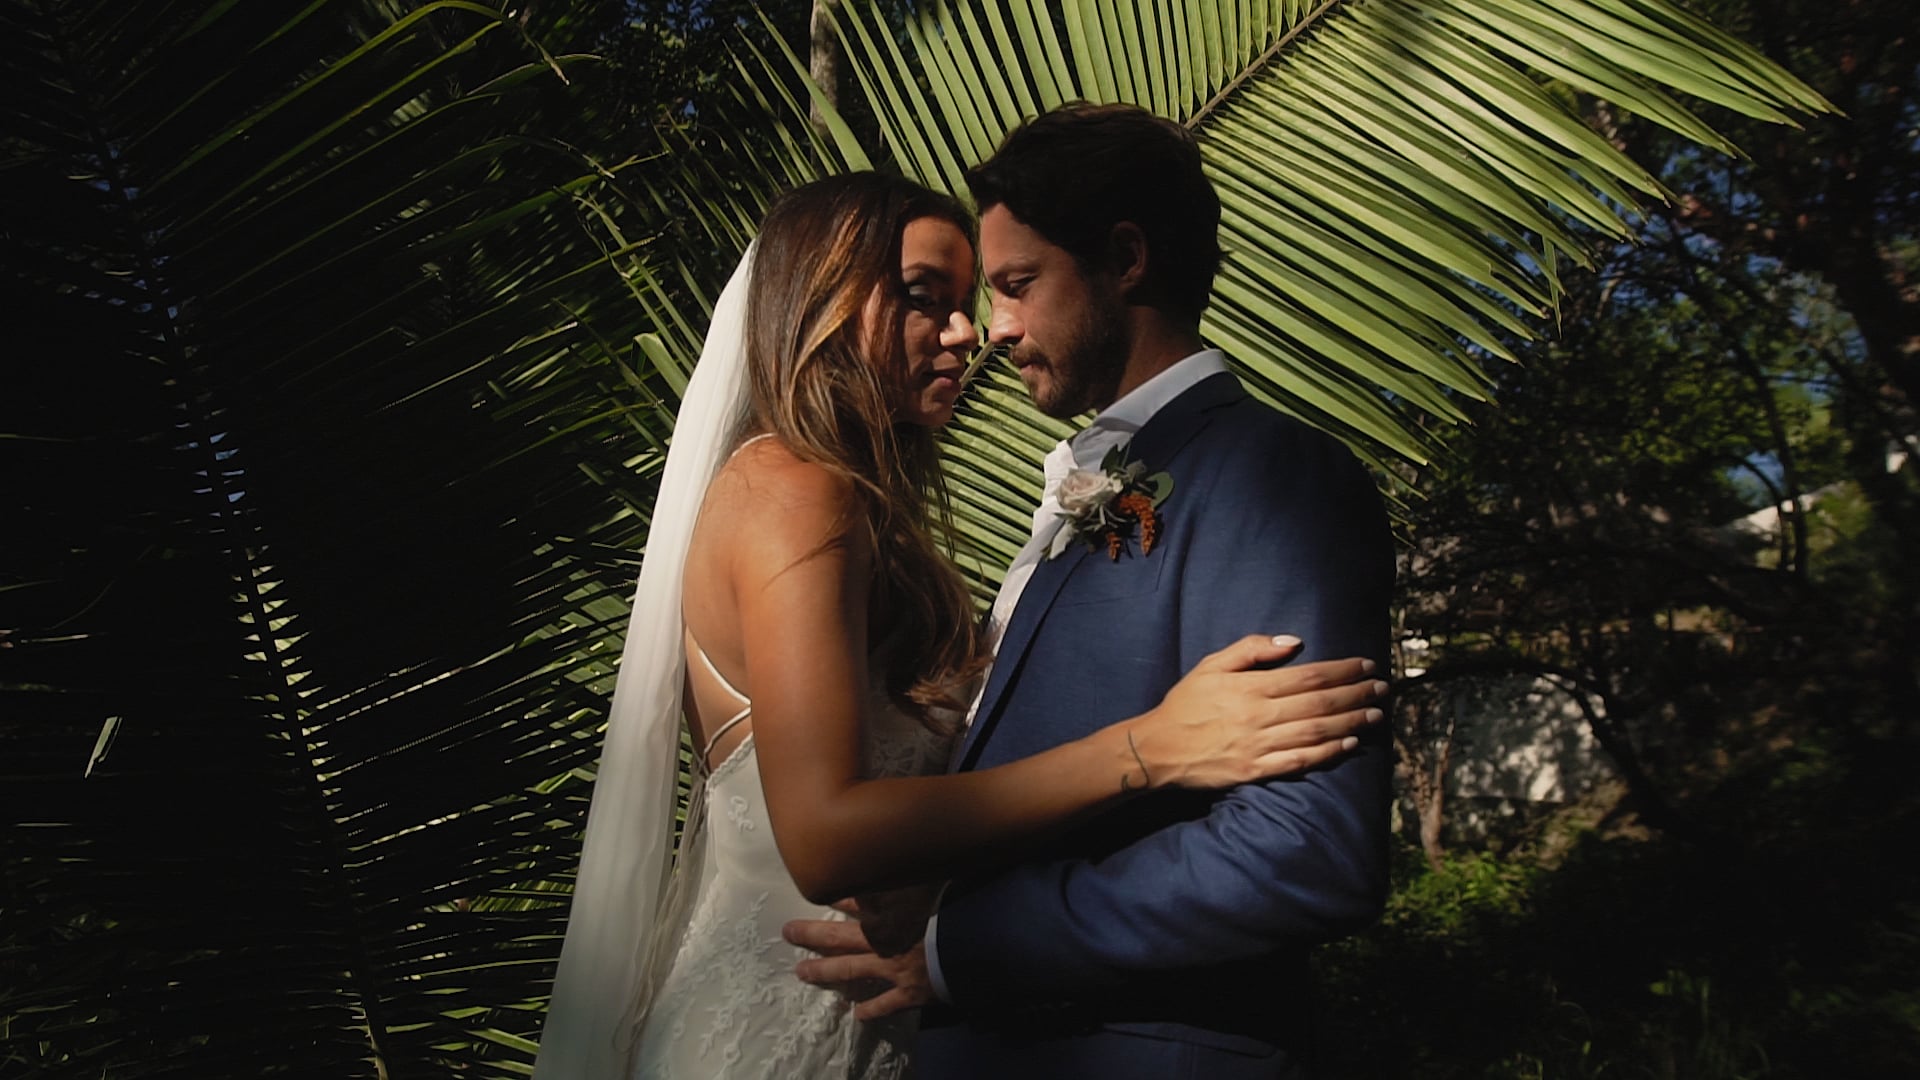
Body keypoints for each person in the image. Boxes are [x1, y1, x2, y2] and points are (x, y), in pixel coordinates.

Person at [532, 172, 1388, 1080]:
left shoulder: (860, 514)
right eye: (921, 297)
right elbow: (824, 837)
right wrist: (1151, 747)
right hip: (780, 1027)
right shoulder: (793, 489)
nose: (970, 330)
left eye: (974, 296)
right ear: (821, 301)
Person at [784, 106, 1397, 1078]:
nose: (995, 329)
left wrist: (962, 951)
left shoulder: (1275, 475)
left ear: (1125, 258)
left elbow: (1307, 849)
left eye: (1019, 285)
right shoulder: (1085, 480)